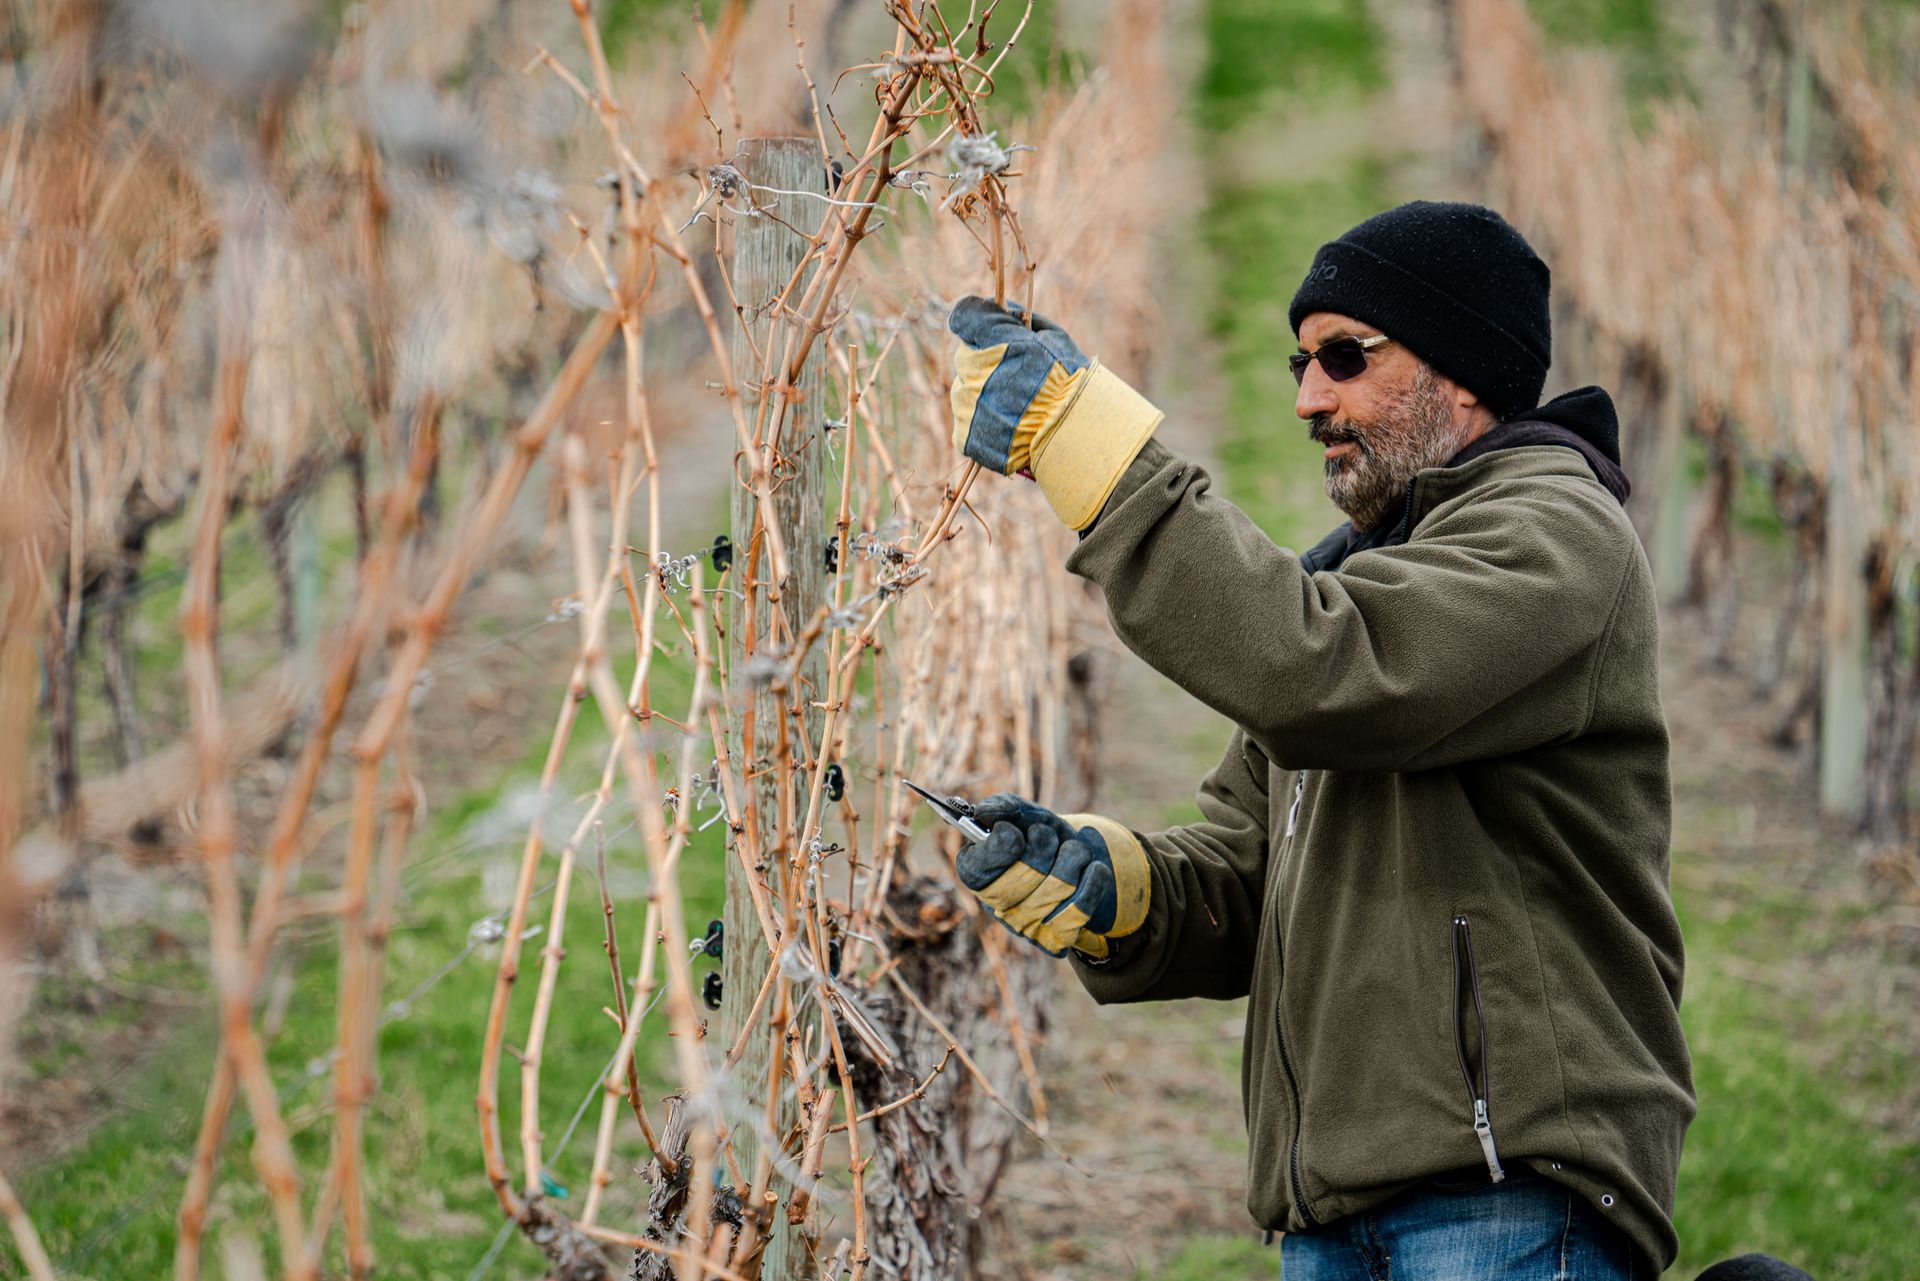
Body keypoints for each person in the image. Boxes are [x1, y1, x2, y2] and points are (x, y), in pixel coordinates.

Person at [944, 201, 1696, 1279]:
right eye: (1301, 362)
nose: (1309, 398)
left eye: (1345, 357)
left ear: (1464, 368)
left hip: (1507, 1195)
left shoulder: (1555, 534)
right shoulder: (1358, 571)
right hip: (1338, 1206)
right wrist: (1112, 891)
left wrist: (1089, 451)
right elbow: (1252, 871)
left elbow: (1320, 671)